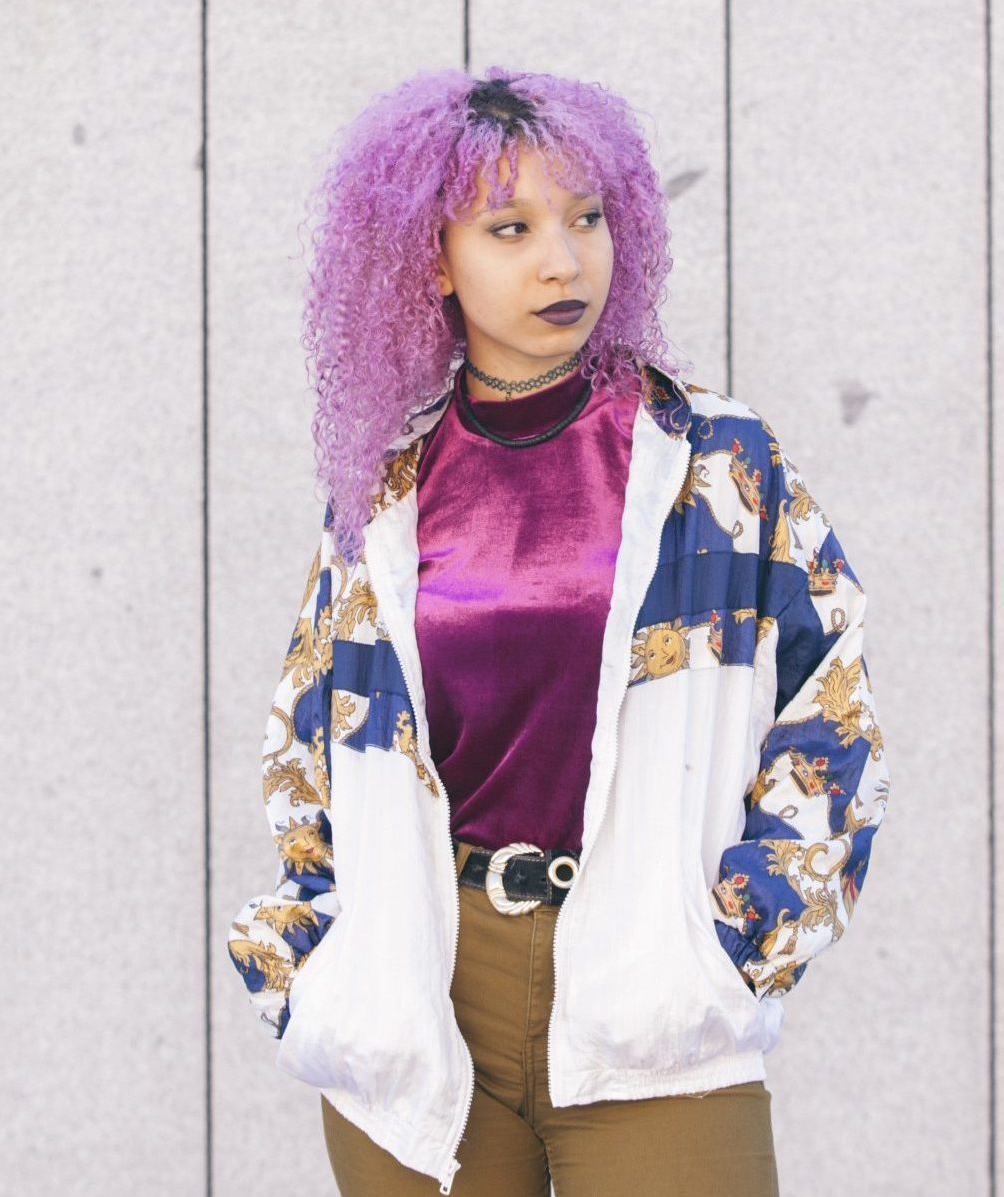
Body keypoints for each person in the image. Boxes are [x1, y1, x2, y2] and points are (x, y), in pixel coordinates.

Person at [225, 66, 890, 1197]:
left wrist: (734, 941)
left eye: (586, 219)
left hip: (654, 997)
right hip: (423, 998)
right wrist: (319, 959)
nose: (561, 259)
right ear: (430, 260)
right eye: (510, 227)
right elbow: (307, 743)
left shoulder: (717, 467)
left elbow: (829, 710)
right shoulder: (382, 494)